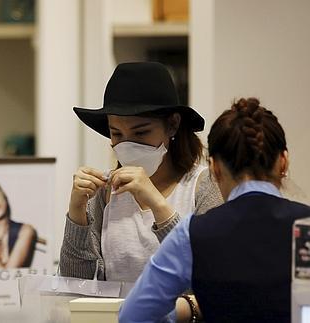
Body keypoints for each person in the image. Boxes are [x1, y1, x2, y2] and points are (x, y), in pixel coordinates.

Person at [119, 98, 310, 323]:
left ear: (214, 168)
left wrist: (186, 311)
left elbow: (133, 316)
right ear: (284, 162)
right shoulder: (306, 225)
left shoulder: (191, 233)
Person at [59, 62, 223, 283]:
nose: (127, 145)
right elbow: (76, 284)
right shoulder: (105, 193)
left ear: (173, 125)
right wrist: (77, 213)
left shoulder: (203, 186)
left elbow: (209, 276)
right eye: (116, 134)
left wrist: (157, 203)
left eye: (141, 132)